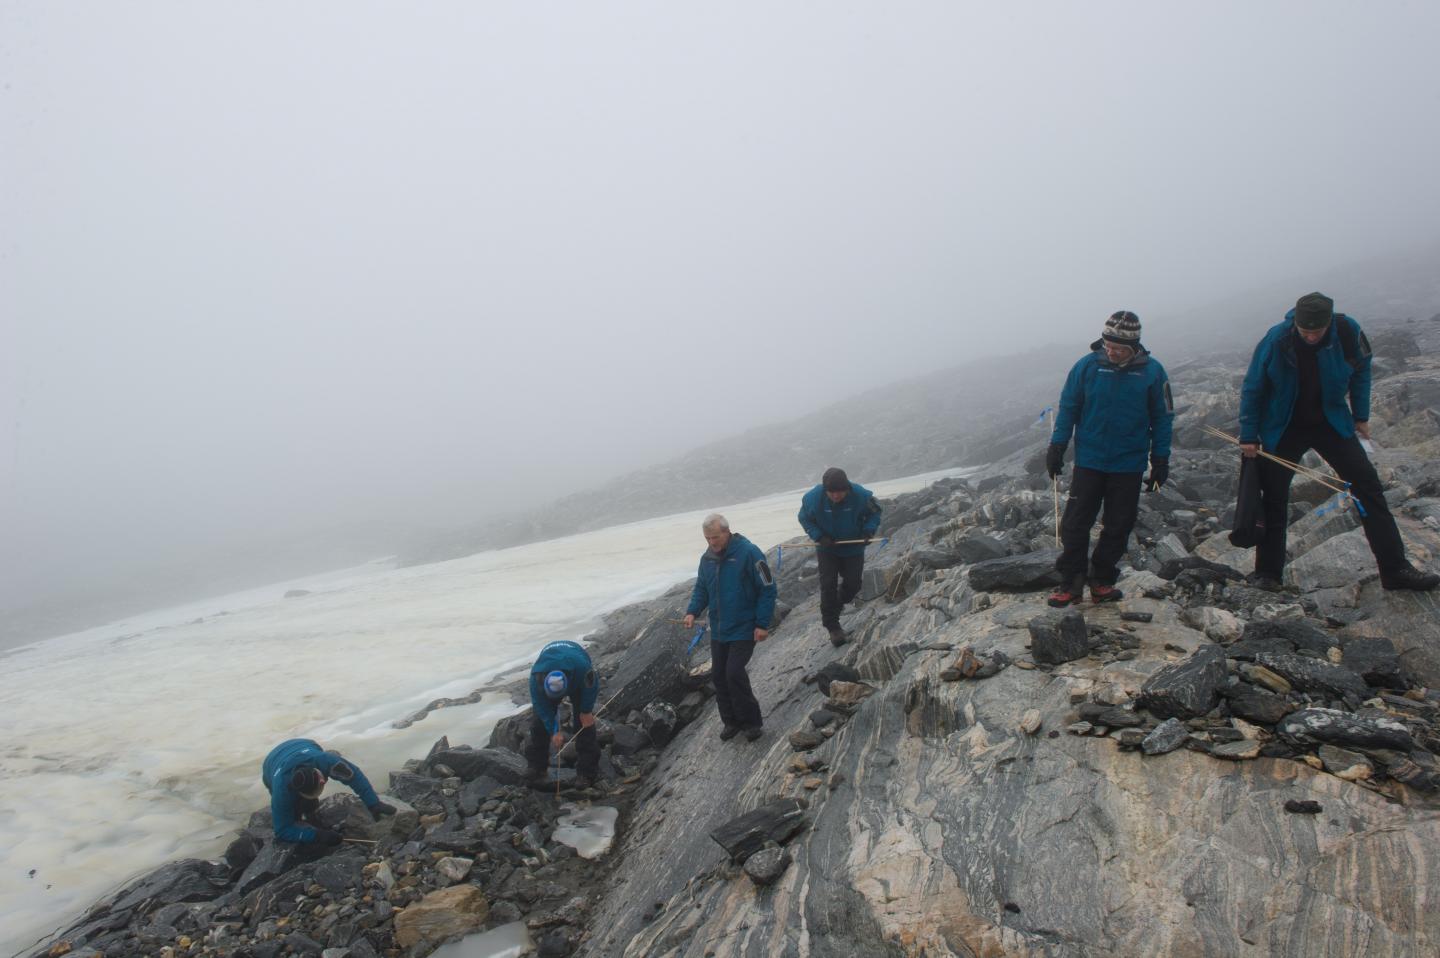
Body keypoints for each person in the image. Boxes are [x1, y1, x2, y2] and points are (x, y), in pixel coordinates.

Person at [1238, 292, 1438, 592]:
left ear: (1328, 322)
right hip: (1284, 427)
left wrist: (1361, 415)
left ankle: (1395, 570)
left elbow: (1362, 369)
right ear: (1296, 325)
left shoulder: (1347, 331)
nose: (1310, 337)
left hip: (1331, 423)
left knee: (1367, 488)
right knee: (1275, 498)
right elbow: (1253, 386)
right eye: (1304, 332)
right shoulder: (1277, 338)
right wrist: (1249, 435)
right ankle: (1268, 574)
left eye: (1316, 332)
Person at [1046, 310, 1174, 606]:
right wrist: (1057, 447)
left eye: (1118, 348)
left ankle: (1102, 580)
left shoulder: (1153, 372)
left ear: (1134, 346)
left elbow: (1163, 418)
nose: (1111, 352)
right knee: (1075, 523)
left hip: (1129, 463)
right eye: (1107, 346)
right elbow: (1068, 408)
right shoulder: (1087, 367)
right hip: (1090, 459)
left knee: (1119, 524)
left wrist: (1161, 460)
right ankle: (1071, 582)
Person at [683, 513, 778, 742]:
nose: (712, 543)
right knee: (718, 675)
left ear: (727, 532)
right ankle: (731, 721)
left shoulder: (749, 552)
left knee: (733, 673)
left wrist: (762, 624)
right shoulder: (706, 559)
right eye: (707, 539)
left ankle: (752, 722)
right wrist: (692, 611)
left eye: (715, 537)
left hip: (744, 626)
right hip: (718, 628)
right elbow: (701, 589)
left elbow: (768, 588)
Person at [798, 467, 883, 645]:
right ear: (825, 490)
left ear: (847, 488)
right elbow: (804, 518)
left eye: (840, 492)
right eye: (831, 493)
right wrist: (818, 536)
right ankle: (833, 627)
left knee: (853, 585)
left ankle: (836, 603)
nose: (836, 496)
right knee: (827, 584)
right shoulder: (812, 498)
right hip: (827, 548)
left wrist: (868, 532)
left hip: (853, 547)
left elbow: (875, 513)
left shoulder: (861, 495)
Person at [261, 738, 395, 845]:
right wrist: (316, 836)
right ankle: (305, 814)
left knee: (309, 807)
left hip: (303, 743)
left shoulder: (326, 761)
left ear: (321, 779)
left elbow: (354, 776)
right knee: (294, 815)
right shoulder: (281, 790)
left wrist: (373, 803)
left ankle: (311, 814)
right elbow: (282, 829)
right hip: (271, 764)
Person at [525, 639, 601, 788]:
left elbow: (591, 687)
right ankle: (536, 767)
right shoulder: (536, 678)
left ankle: (586, 774)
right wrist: (553, 730)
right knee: (538, 724)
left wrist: (585, 710)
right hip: (554, 667)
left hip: (575, 663)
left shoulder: (582, 668)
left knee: (585, 724)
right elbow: (541, 706)